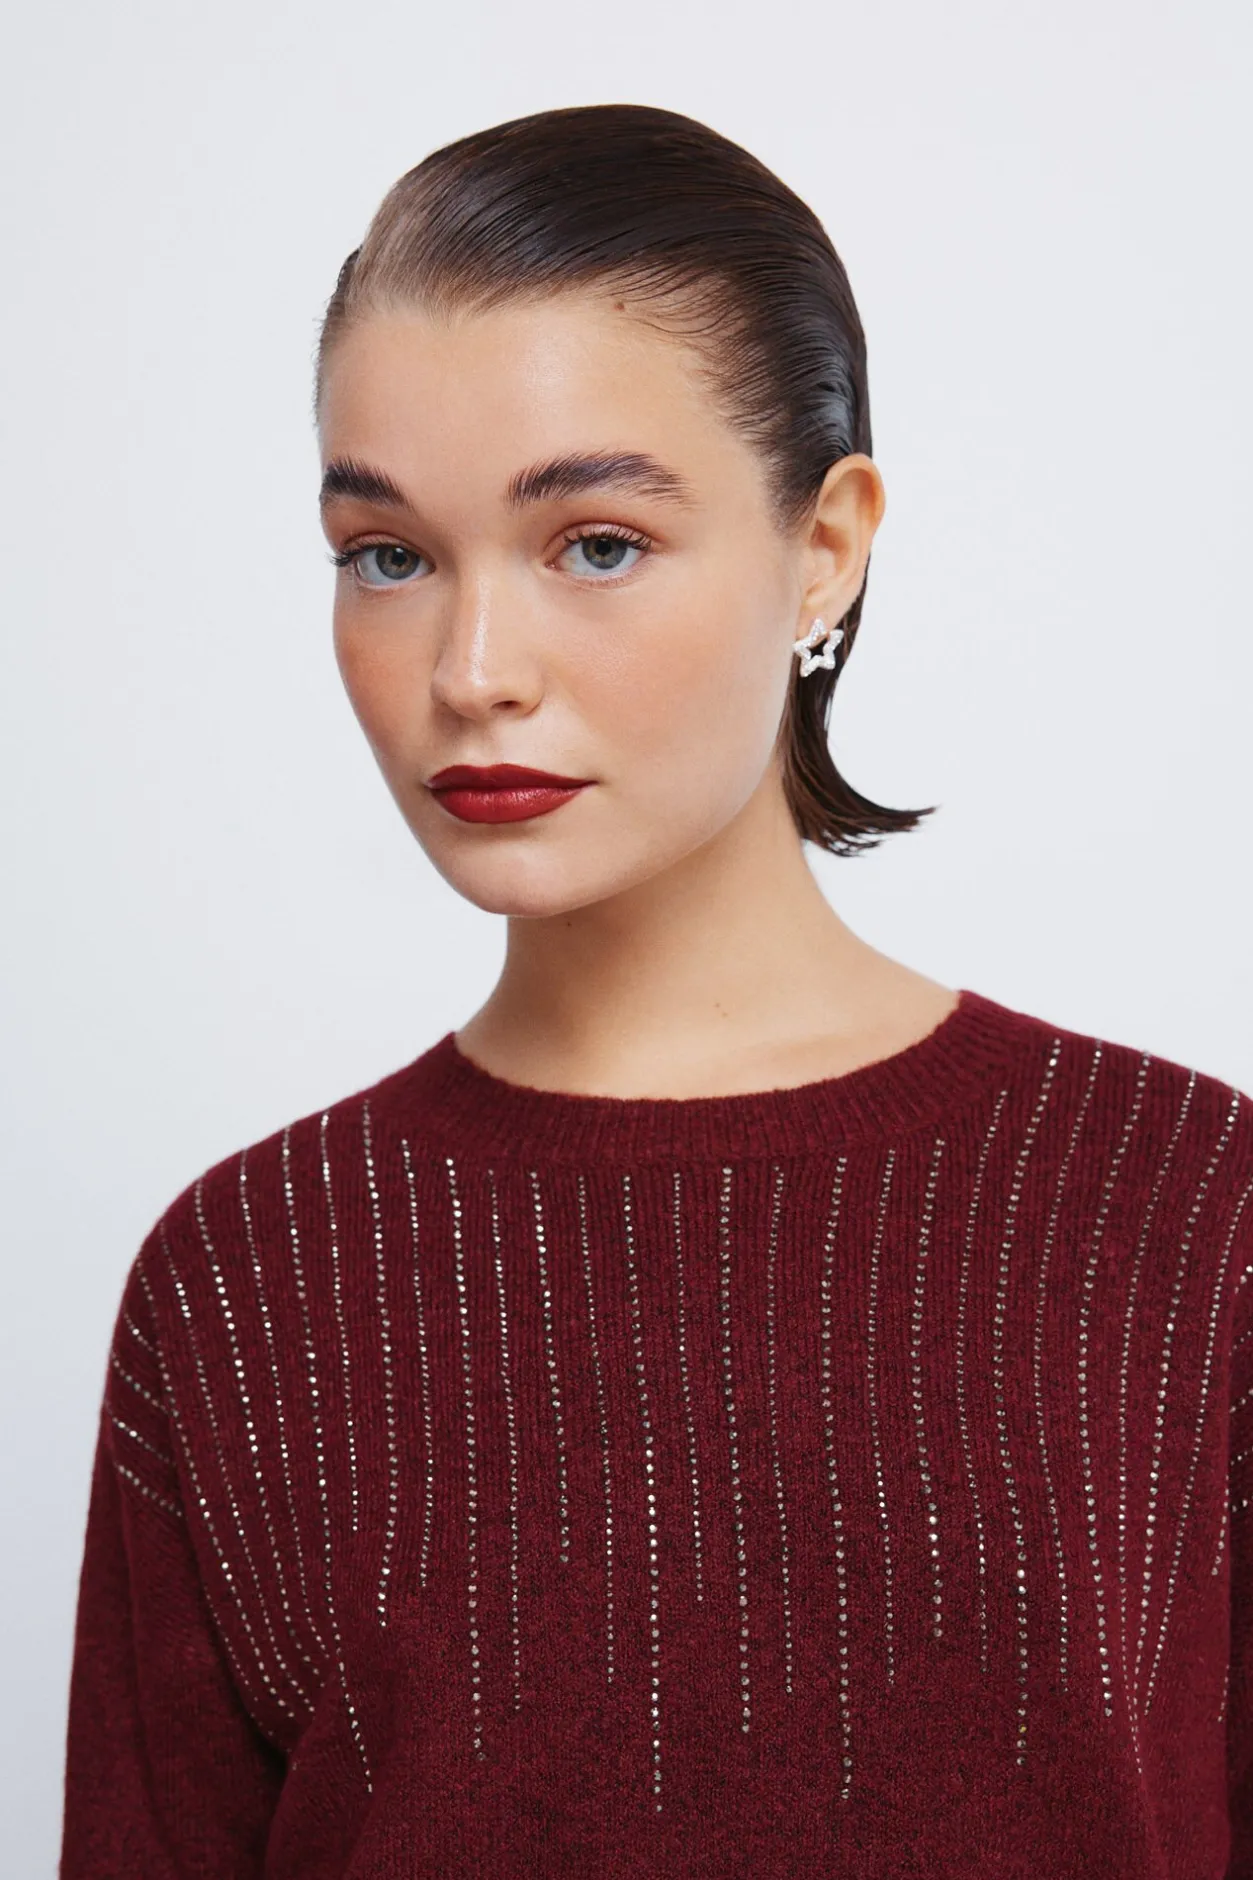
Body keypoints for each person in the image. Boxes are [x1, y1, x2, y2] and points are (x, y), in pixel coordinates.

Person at [60, 104, 1253, 1879]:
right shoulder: (246, 1287)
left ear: (826, 547)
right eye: (389, 555)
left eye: (595, 542)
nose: (472, 671)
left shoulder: (1189, 1213)